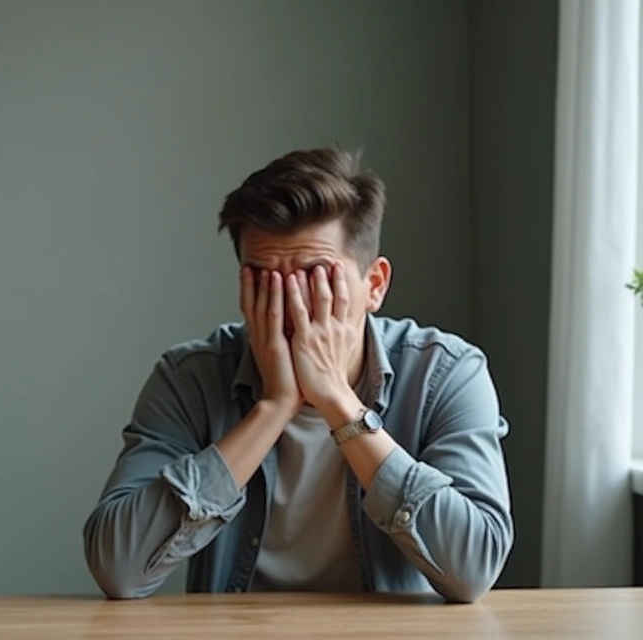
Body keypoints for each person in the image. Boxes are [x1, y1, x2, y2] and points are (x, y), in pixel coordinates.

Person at [82, 146, 512, 603]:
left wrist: (339, 403)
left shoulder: (446, 374)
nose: (293, 308)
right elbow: (119, 570)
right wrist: (272, 409)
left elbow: (473, 569)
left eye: (316, 278)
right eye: (265, 281)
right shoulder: (190, 378)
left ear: (375, 285)